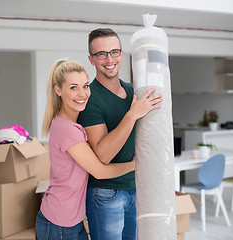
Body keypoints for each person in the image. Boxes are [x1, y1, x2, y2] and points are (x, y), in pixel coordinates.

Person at [35, 58, 136, 240]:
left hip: (70, 220)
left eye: (86, 86)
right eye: (73, 87)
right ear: (58, 90)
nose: (82, 94)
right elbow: (100, 171)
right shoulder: (68, 130)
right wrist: (136, 164)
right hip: (60, 223)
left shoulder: (68, 124)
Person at [77, 28, 163, 240]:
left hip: (136, 187)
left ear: (122, 54)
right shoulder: (90, 98)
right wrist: (132, 115)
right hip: (106, 194)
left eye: (114, 52)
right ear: (91, 59)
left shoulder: (135, 91)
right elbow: (102, 156)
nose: (109, 59)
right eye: (101, 54)